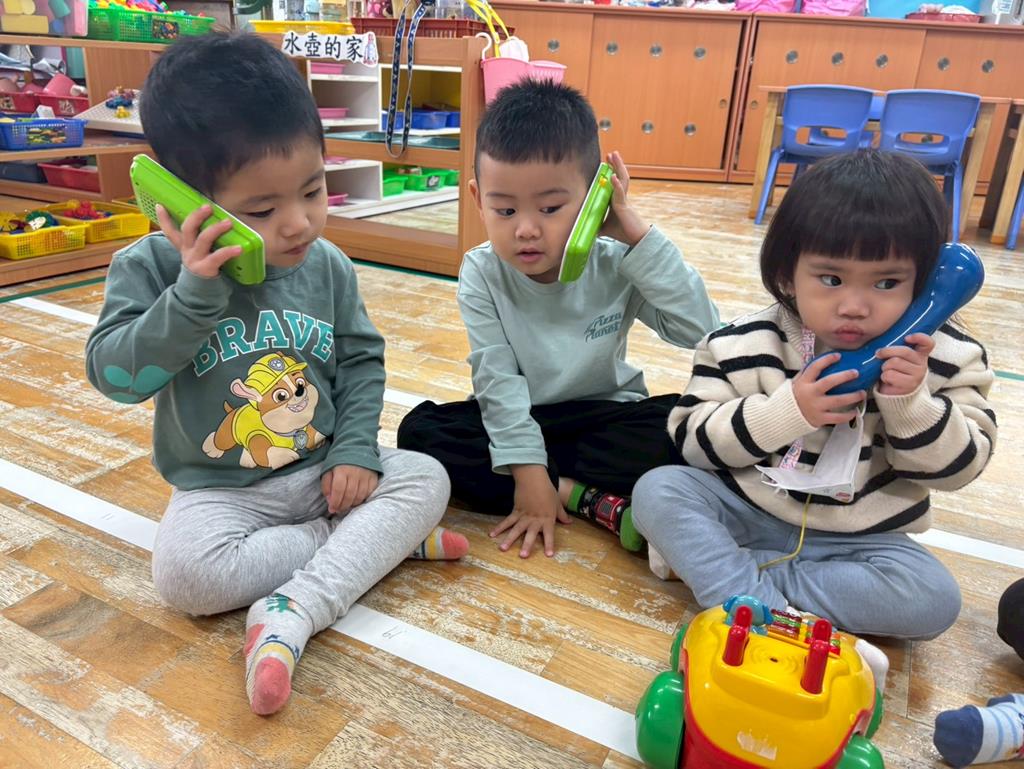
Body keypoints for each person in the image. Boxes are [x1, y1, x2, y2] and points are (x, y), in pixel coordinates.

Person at [85, 32, 464, 716]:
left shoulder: (326, 265)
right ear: (179, 201)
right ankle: (367, 547)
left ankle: (297, 605)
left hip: (325, 472)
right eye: (261, 210)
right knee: (183, 578)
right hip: (223, 493)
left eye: (313, 190)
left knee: (428, 476)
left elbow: (361, 360)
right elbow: (116, 379)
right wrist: (193, 297)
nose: (299, 224)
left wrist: (354, 449)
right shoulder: (148, 269)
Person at [632, 149, 997, 643]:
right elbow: (693, 441)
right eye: (831, 279)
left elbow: (961, 470)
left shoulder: (947, 356)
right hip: (747, 512)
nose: (854, 306)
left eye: (887, 282)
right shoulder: (741, 343)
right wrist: (786, 413)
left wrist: (911, 405)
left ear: (925, 283)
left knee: (932, 599)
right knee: (659, 489)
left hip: (859, 541)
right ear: (788, 274)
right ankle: (743, 585)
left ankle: (737, 583)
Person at [397, 80, 719, 558]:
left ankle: (554, 480)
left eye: (550, 208)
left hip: (604, 413)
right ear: (478, 199)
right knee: (420, 433)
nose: (526, 229)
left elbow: (703, 332)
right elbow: (497, 380)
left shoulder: (618, 260)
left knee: (693, 431)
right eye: (505, 209)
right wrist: (528, 470)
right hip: (521, 414)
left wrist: (638, 237)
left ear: (593, 199)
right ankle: (576, 493)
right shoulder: (482, 271)